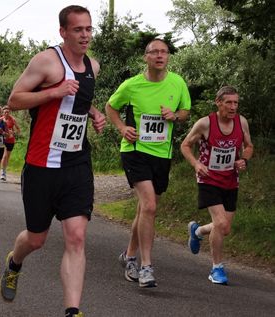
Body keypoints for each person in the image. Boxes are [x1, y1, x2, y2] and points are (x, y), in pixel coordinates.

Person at [0, 6, 106, 317]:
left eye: (88, 29)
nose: (85, 35)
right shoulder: (46, 61)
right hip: (42, 164)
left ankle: (72, 311)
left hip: (76, 163)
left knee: (76, 235)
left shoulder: (93, 66)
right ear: (63, 32)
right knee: (36, 238)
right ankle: (14, 262)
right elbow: (14, 100)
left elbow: (81, 101)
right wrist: (54, 92)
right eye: (78, 30)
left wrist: (95, 113)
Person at [105, 38, 191, 288]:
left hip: (162, 155)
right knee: (150, 206)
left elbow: (185, 112)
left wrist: (174, 116)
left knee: (145, 210)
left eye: (164, 52)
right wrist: (122, 128)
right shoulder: (132, 85)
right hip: (135, 151)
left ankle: (129, 255)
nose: (160, 56)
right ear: (146, 57)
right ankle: (146, 267)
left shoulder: (177, 82)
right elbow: (111, 107)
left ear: (168, 57)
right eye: (154, 52)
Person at [180, 86, 253, 285]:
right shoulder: (205, 124)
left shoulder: (241, 122)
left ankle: (197, 231)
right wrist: (196, 164)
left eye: (236, 102)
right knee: (220, 223)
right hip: (208, 179)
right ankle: (216, 269)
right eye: (228, 102)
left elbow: (249, 146)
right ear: (218, 102)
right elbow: (185, 145)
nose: (233, 107)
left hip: (230, 179)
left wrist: (244, 160)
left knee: (225, 228)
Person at [0, 105, 21, 181]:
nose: (6, 113)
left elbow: (18, 130)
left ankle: (4, 170)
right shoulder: (1, 120)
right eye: (5, 112)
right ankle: (3, 173)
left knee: (7, 157)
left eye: (8, 112)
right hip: (3, 140)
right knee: (5, 156)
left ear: (10, 112)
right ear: (3, 113)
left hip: (11, 140)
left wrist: (13, 132)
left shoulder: (12, 119)